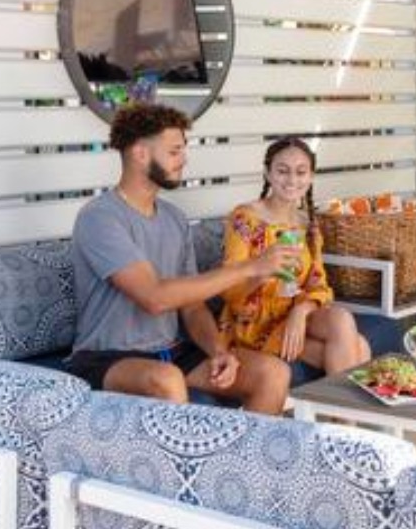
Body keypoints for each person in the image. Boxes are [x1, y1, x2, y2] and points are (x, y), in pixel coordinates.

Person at [66, 104, 293, 413]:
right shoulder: (100, 218)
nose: (184, 159)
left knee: (272, 374)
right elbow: (154, 298)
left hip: (172, 351)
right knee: (167, 380)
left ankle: (237, 463)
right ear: (140, 154)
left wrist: (218, 350)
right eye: (174, 151)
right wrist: (250, 267)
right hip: (107, 357)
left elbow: (192, 305)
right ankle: (187, 463)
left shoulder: (174, 218)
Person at [218, 137, 371, 375]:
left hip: (293, 317)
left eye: (301, 172)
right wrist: (261, 271)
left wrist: (301, 313)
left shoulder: (307, 225)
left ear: (310, 177)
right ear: (268, 173)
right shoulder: (244, 219)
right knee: (358, 347)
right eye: (282, 171)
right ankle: (347, 413)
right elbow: (228, 288)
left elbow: (318, 285)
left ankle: (340, 413)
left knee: (342, 320)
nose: (292, 180)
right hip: (253, 325)